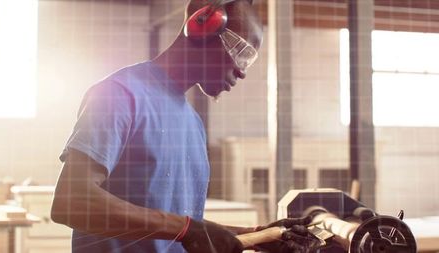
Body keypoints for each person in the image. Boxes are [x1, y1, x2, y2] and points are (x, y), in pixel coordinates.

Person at [51, 0, 320, 252]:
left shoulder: (193, 123)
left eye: (249, 60)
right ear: (202, 25)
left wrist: (258, 235)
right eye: (241, 52)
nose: (242, 71)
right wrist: (186, 228)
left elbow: (182, 229)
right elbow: (72, 202)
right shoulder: (119, 95)